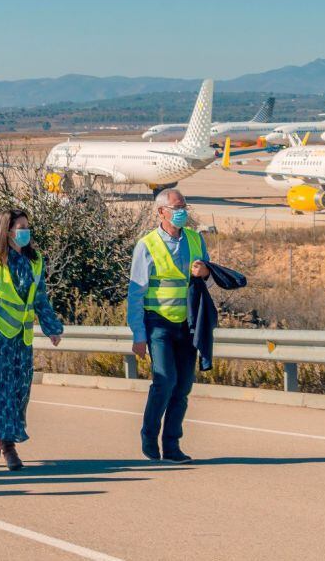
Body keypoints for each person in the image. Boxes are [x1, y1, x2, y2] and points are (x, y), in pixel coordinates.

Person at [0, 209, 63, 470]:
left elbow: (39, 297)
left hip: (21, 337)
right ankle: (9, 448)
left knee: (20, 393)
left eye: (27, 227)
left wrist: (51, 326)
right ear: (7, 231)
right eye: (20, 227)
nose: (25, 231)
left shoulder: (35, 260)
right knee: (1, 392)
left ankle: (0, 435)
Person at [127, 188, 210, 464]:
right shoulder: (147, 244)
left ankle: (172, 445)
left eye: (184, 205)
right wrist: (139, 335)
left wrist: (206, 273)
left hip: (187, 323)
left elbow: (207, 280)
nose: (181, 211)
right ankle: (149, 435)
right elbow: (136, 293)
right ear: (161, 212)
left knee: (183, 386)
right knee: (164, 381)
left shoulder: (196, 239)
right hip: (158, 323)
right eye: (176, 207)